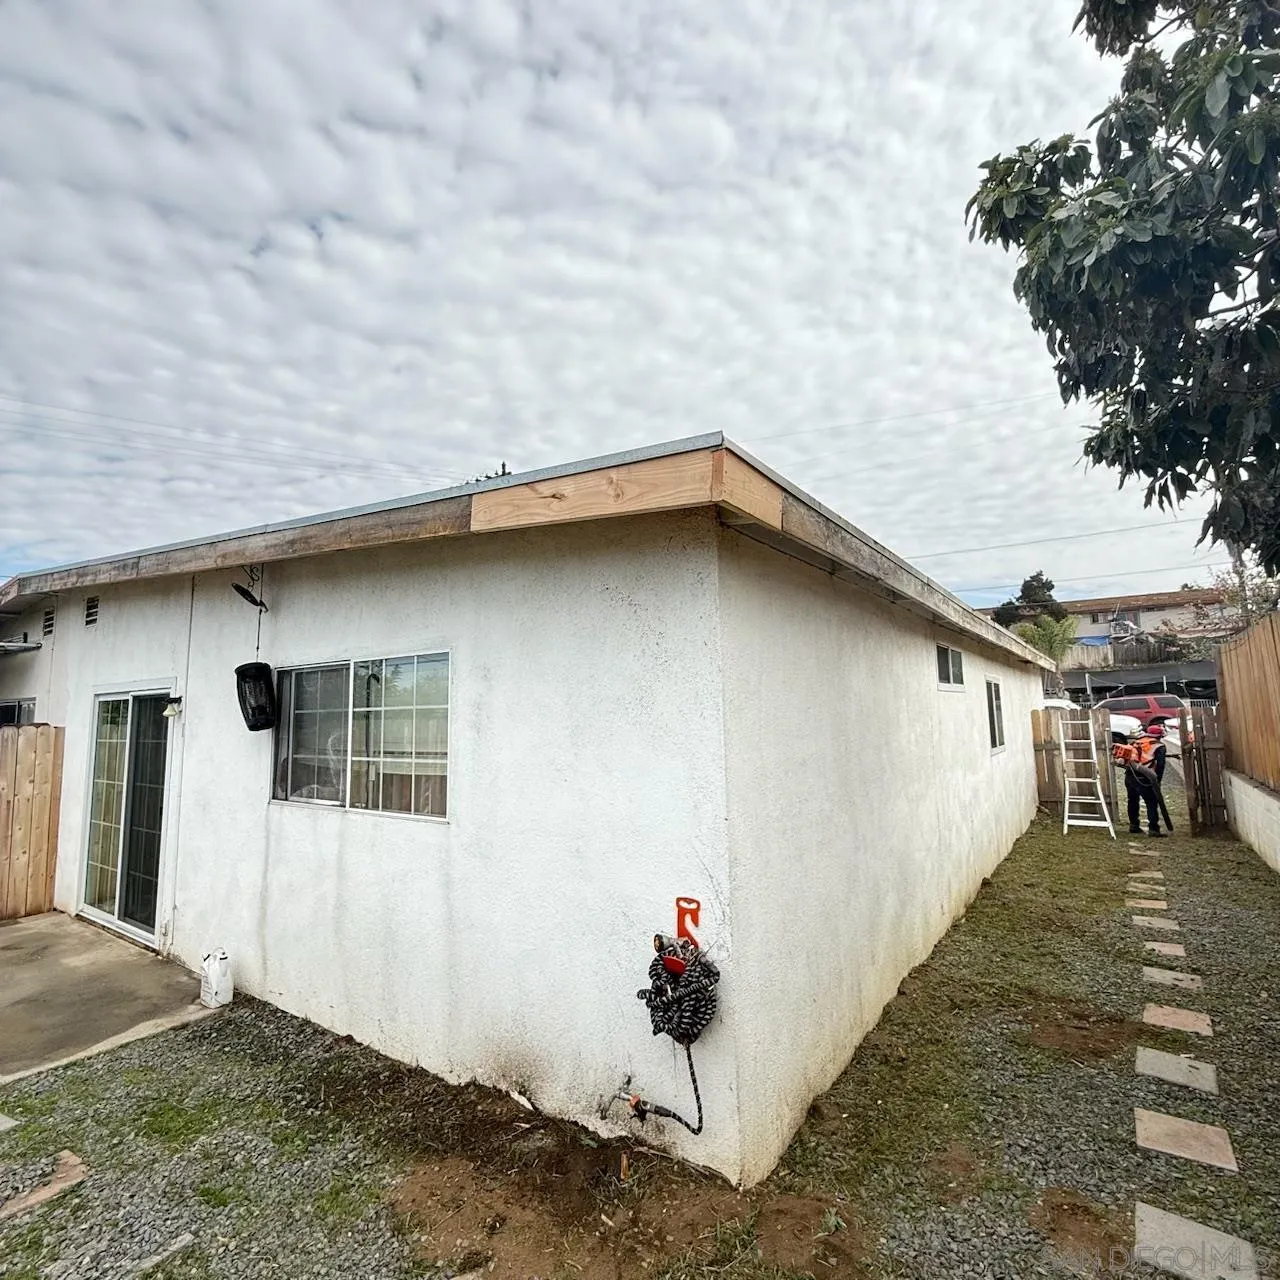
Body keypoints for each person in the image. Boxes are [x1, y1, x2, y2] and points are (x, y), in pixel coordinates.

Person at [1112, 722, 1168, 836]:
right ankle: (1153, 829)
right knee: (1151, 802)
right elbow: (1160, 765)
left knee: (1132, 800)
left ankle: (1134, 825)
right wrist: (1157, 780)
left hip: (1130, 775)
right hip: (1145, 778)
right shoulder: (1159, 746)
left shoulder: (1136, 742)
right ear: (1159, 736)